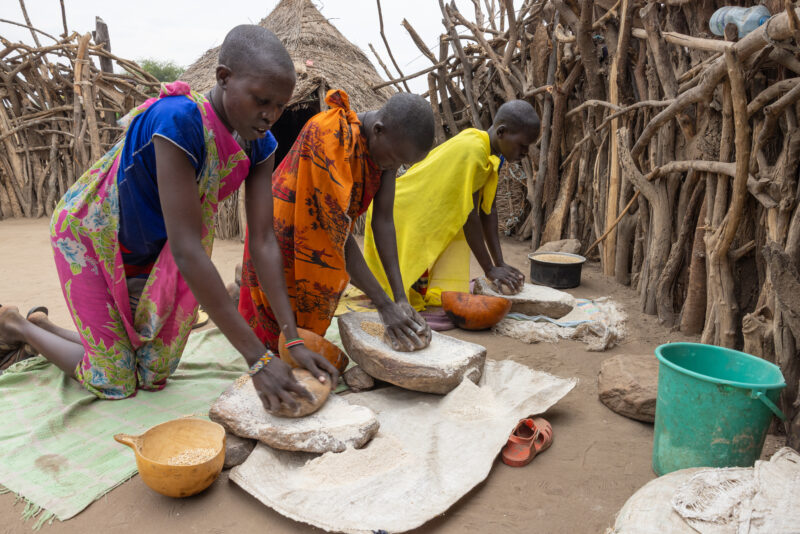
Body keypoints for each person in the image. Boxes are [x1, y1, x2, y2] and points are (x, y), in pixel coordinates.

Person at [0, 25, 337, 413]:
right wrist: (257, 359)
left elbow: (262, 241)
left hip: (156, 251)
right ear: (223, 77)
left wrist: (290, 338)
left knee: (153, 374)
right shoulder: (177, 120)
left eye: (280, 106)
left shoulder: (261, 145)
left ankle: (48, 329)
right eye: (262, 100)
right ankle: (17, 325)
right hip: (92, 236)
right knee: (114, 382)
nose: (271, 116)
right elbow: (188, 248)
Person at [238, 89, 435, 352]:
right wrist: (384, 305)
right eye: (395, 160)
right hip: (281, 233)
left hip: (324, 238)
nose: (393, 167)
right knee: (277, 341)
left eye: (400, 165)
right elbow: (336, 234)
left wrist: (400, 297)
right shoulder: (328, 137)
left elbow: (384, 221)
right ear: (378, 130)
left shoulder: (387, 154)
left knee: (306, 332)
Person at [362, 100, 540, 325]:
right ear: (502, 132)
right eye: (523, 146)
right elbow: (469, 216)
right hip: (405, 210)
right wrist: (489, 269)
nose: (525, 153)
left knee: (420, 284)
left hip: (420, 209)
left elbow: (488, 210)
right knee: (406, 284)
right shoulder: (474, 150)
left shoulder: (494, 153)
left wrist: (500, 263)